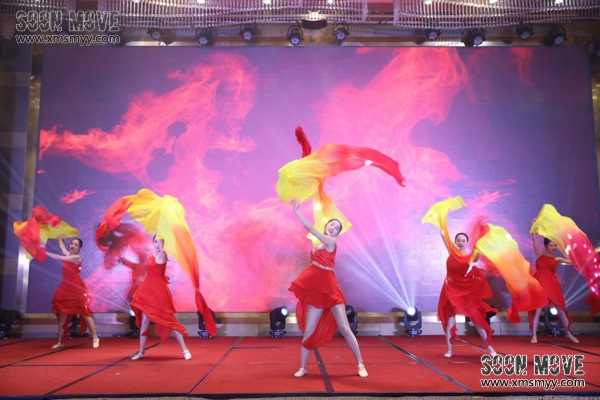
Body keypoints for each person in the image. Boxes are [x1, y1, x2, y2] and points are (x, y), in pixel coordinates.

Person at [288, 200, 368, 378]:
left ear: (337, 234)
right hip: (318, 292)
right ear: (326, 226)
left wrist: (297, 212)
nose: (333, 228)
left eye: (336, 228)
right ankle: (303, 367)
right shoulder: (317, 245)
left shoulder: (331, 242)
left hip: (331, 290)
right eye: (331, 224)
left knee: (345, 329)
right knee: (309, 331)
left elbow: (310, 228)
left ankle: (360, 363)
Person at [129, 235, 192, 360]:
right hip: (147, 292)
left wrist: (164, 239)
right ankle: (141, 352)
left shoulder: (163, 254)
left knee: (170, 321)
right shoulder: (153, 254)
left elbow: (161, 252)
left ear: (164, 243)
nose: (157, 244)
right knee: (145, 322)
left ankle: (185, 350)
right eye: (155, 241)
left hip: (159, 293)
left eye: (160, 242)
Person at [438, 232, 497, 358]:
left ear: (467, 242)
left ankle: (489, 347)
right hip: (450, 290)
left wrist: (481, 242)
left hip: (465, 290)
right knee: (450, 320)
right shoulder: (452, 252)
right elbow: (444, 236)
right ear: (455, 242)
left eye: (463, 240)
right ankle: (449, 349)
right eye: (458, 240)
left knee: (476, 319)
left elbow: (477, 257)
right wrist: (440, 224)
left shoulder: (470, 256)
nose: (460, 242)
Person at [45, 236, 99, 349]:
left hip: (75, 288)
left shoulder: (77, 258)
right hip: (65, 288)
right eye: (72, 244)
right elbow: (62, 248)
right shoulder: (69, 255)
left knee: (85, 314)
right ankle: (60, 341)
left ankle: (95, 337)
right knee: (62, 316)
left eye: (76, 245)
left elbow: (59, 257)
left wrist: (44, 252)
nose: (73, 246)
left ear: (79, 248)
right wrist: (60, 239)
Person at [528, 231, 579, 344]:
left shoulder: (557, 259)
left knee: (560, 309)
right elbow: (534, 240)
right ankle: (534, 336)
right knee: (538, 309)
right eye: (551, 245)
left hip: (552, 285)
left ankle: (568, 333)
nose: (553, 247)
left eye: (555, 245)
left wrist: (580, 255)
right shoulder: (540, 255)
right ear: (546, 246)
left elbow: (573, 262)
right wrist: (534, 229)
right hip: (540, 284)